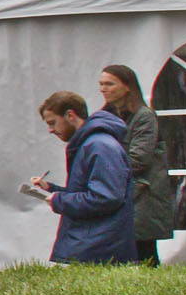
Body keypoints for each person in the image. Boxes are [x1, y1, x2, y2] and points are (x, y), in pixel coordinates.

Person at [33, 91, 136, 264]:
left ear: (70, 115)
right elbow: (90, 191)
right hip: (93, 245)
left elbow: (106, 197)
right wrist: (51, 189)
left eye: (52, 122)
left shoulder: (99, 146)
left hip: (99, 249)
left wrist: (59, 200)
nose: (51, 130)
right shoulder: (91, 144)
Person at [99, 65, 171, 266]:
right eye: (101, 84)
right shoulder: (103, 116)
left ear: (128, 86)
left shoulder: (144, 116)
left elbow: (139, 159)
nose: (103, 89)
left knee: (144, 254)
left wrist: (104, 172)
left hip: (142, 194)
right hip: (117, 192)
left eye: (109, 84)